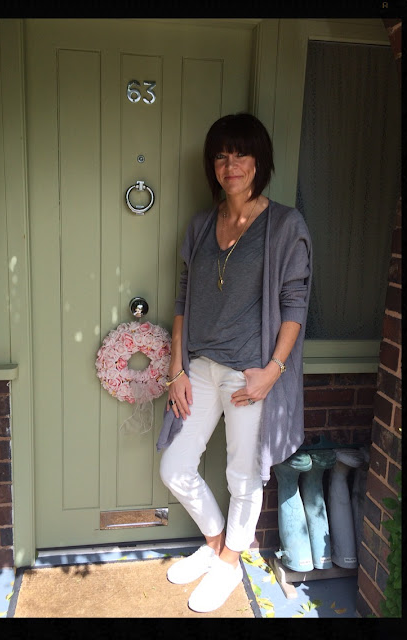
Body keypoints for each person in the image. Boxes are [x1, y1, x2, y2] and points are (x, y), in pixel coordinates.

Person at [156, 112, 312, 613]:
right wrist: (177, 369)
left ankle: (229, 562)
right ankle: (217, 540)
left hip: (252, 372)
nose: (231, 164)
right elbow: (182, 298)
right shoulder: (203, 224)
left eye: (241, 153)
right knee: (175, 467)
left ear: (259, 160)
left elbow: (295, 303)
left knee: (244, 476)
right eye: (221, 155)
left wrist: (274, 370)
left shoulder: (285, 224)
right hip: (200, 367)